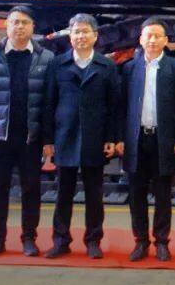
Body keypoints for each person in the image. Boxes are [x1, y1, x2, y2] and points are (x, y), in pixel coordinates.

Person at [0, 5, 55, 258]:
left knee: (31, 189)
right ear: (6, 26)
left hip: (31, 137)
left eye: (24, 22)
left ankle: (29, 238)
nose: (19, 27)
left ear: (33, 27)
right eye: (15, 22)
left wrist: (48, 139)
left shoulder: (46, 58)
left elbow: (50, 102)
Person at [42, 14, 121, 260]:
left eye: (85, 31)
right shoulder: (58, 64)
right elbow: (48, 103)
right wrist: (48, 140)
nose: (80, 36)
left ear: (95, 36)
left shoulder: (106, 66)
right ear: (70, 36)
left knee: (94, 194)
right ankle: (60, 241)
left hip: (94, 136)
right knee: (63, 192)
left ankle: (93, 241)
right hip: (64, 136)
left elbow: (114, 105)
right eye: (76, 31)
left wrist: (111, 137)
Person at [118, 17, 175, 262]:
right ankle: (140, 241)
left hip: (163, 140)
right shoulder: (129, 68)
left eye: (157, 36)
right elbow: (122, 107)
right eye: (148, 35)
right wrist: (121, 138)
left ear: (165, 40)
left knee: (162, 194)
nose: (152, 40)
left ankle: (161, 242)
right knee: (136, 194)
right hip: (136, 140)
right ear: (140, 39)